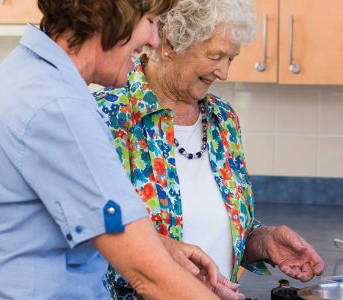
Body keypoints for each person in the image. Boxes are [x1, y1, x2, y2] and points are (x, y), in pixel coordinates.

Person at [0, 1, 223, 299]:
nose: (155, 40)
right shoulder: (57, 107)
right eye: (150, 20)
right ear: (111, 14)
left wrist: (159, 247)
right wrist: (151, 259)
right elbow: (147, 275)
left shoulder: (19, 76)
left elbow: (35, 228)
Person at [94, 0, 325, 298]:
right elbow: (93, 236)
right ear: (171, 43)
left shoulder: (223, 119)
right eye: (216, 56)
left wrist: (263, 241)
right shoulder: (110, 116)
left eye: (232, 58)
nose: (225, 73)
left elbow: (220, 227)